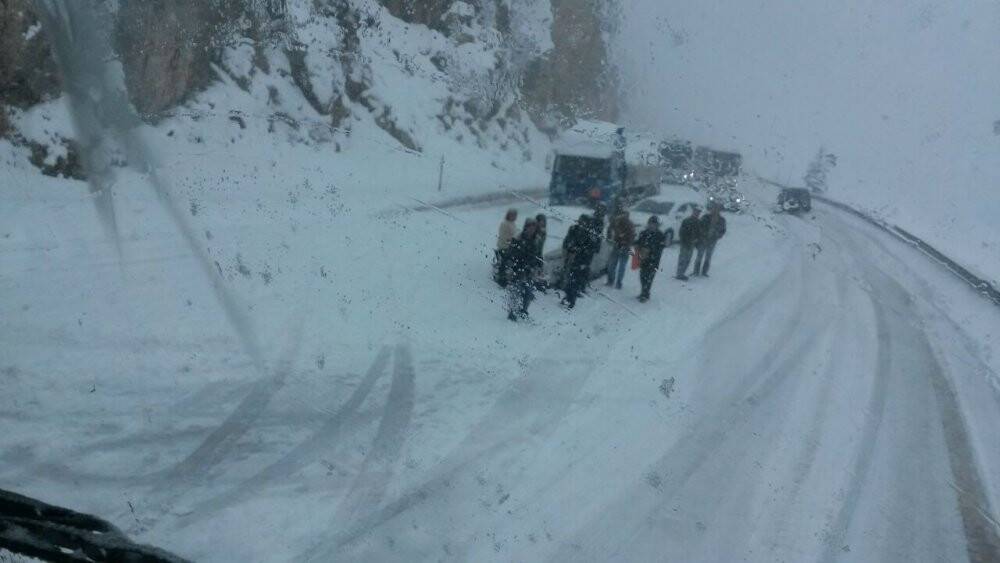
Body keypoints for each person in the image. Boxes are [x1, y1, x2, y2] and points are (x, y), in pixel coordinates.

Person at [504, 219, 539, 321]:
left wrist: (536, 266)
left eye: (534, 228)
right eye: (530, 227)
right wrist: (515, 266)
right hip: (518, 270)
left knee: (528, 293)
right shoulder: (518, 239)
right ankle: (512, 312)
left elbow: (537, 256)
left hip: (529, 272)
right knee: (516, 292)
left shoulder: (535, 241)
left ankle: (523, 311)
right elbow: (511, 255)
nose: (531, 230)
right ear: (526, 227)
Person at [561, 215, 598, 308]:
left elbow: (591, 250)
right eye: (580, 222)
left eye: (584, 222)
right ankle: (568, 296)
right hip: (570, 258)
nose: (582, 224)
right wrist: (570, 248)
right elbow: (566, 241)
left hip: (581, 260)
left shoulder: (590, 234)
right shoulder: (573, 229)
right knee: (568, 280)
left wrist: (585, 263)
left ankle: (571, 301)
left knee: (575, 281)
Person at [634, 216, 667, 302]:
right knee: (642, 277)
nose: (652, 226)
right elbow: (638, 242)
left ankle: (645, 294)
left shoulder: (660, 235)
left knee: (649, 278)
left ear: (657, 225)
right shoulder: (643, 233)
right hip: (644, 259)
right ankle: (643, 292)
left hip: (654, 260)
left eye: (654, 224)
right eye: (650, 224)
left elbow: (662, 246)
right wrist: (637, 246)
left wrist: (652, 249)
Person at [693, 202, 727, 277]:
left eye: (717, 209)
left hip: (712, 241)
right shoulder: (705, 217)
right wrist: (703, 234)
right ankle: (695, 271)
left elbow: (723, 230)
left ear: (719, 210)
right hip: (703, 240)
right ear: (711, 209)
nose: (715, 210)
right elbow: (699, 226)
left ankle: (704, 272)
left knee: (708, 257)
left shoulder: (722, 220)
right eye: (714, 208)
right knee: (699, 256)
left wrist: (718, 235)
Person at [605, 210, 635, 289]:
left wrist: (610, 238)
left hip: (622, 247)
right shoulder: (626, 223)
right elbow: (632, 237)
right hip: (620, 246)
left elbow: (632, 237)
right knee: (618, 266)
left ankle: (613, 281)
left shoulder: (622, 223)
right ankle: (616, 282)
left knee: (615, 265)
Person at [675, 206, 702, 281]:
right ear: (693, 212)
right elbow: (681, 232)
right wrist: (684, 240)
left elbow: (699, 233)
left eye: (698, 212)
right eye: (696, 212)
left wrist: (696, 241)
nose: (697, 214)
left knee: (688, 259)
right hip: (685, 243)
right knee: (682, 258)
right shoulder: (686, 221)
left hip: (692, 244)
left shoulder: (698, 222)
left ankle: (682, 273)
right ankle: (679, 274)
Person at [494, 209, 518, 286]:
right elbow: (503, 235)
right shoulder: (504, 224)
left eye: (514, 215)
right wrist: (511, 240)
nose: (513, 217)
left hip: (510, 246)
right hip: (504, 246)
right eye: (512, 215)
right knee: (504, 263)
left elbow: (516, 233)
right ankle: (500, 278)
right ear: (508, 215)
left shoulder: (512, 224)